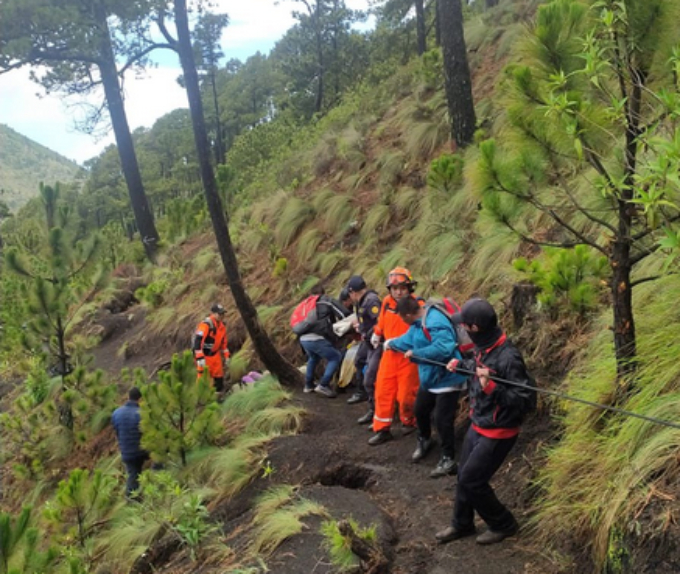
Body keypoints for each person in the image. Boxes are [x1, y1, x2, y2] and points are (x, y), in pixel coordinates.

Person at [436, 298, 536, 546]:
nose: (463, 330)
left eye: (465, 326)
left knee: (472, 481)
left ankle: (504, 524)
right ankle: (462, 524)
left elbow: (526, 401)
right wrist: (461, 366)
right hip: (478, 424)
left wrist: (492, 388)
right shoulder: (484, 346)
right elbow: (477, 365)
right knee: (464, 476)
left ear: (475, 328)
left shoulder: (509, 358)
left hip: (499, 432)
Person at [386, 296, 468, 476]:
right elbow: (409, 339)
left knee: (442, 419)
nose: (401, 321)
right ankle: (424, 439)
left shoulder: (434, 321)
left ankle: (448, 458)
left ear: (407, 315)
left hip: (448, 377)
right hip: (430, 378)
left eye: (401, 317)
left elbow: (444, 347)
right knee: (420, 410)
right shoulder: (417, 324)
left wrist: (416, 354)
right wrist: (391, 343)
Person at [368, 267, 421, 446]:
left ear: (409, 288)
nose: (398, 292)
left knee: (406, 394)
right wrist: (377, 333)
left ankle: (409, 421)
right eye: (395, 288)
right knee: (383, 391)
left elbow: (420, 331)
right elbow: (382, 321)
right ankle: (382, 429)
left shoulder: (417, 305)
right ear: (390, 289)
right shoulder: (386, 303)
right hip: (389, 355)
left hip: (408, 357)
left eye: (402, 288)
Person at [345, 276, 383, 425]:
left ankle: (376, 411)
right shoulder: (361, 302)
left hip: (376, 343)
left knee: (370, 378)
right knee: (359, 361)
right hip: (366, 341)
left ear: (353, 292)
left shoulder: (371, 301)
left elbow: (380, 321)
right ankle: (363, 395)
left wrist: (371, 334)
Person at [299, 285, 348, 398]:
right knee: (335, 357)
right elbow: (343, 314)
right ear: (323, 293)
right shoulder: (324, 301)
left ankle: (308, 385)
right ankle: (323, 384)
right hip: (316, 338)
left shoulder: (305, 305)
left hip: (303, 339)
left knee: (314, 357)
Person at [112, 387, 149, 499]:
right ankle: (133, 497)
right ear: (140, 399)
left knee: (133, 472)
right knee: (159, 459)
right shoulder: (141, 413)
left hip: (126, 450)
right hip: (140, 451)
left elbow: (117, 431)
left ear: (128, 397)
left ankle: (134, 496)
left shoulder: (116, 413)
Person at [193, 303, 230, 393]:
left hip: (215, 356)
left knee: (219, 379)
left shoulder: (222, 327)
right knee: (203, 379)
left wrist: (226, 356)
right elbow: (198, 341)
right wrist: (199, 358)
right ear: (213, 313)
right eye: (219, 314)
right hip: (204, 356)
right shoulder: (206, 325)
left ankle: (218, 396)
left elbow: (224, 344)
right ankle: (202, 400)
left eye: (223, 314)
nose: (222, 316)